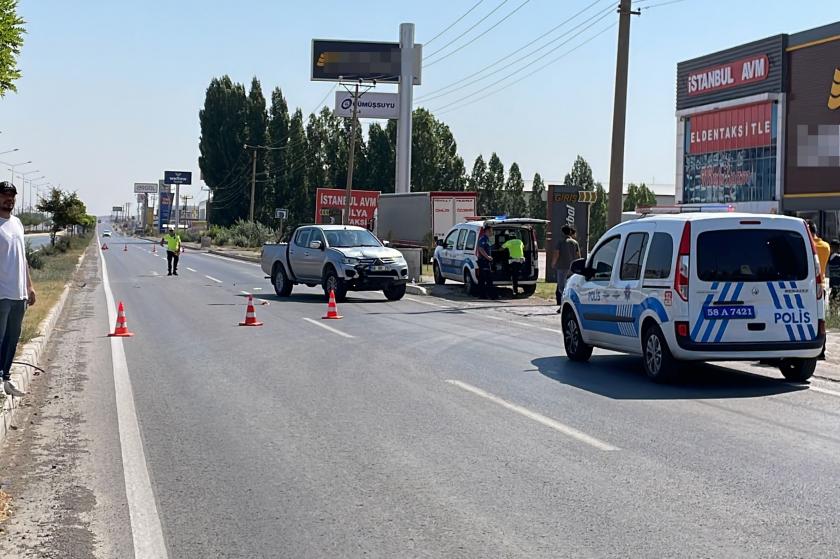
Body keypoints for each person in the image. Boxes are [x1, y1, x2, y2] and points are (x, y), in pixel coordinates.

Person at [0, 182, 36, 398]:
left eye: (12, 196)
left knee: (13, 337)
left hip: (19, 293)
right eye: (4, 195)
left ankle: (6, 379)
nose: (9, 199)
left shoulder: (17, 223)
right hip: (1, 294)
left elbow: (22, 258)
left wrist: (29, 286)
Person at [552, 225, 581, 313]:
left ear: (562, 232)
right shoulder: (575, 242)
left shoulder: (560, 242)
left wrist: (553, 263)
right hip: (572, 268)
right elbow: (578, 255)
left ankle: (563, 306)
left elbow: (557, 253)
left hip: (562, 267)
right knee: (571, 287)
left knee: (562, 288)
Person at [476, 225, 497, 300]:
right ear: (487, 231)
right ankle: (487, 295)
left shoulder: (488, 239)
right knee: (485, 279)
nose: (492, 232)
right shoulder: (483, 239)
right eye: (491, 231)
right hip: (483, 261)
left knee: (485, 279)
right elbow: (481, 248)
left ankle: (484, 295)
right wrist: (487, 257)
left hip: (486, 261)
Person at [829, 239, 840, 306]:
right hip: (835, 285)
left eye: (831, 247)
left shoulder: (833, 257)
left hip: (835, 284)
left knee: (833, 303)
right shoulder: (833, 257)